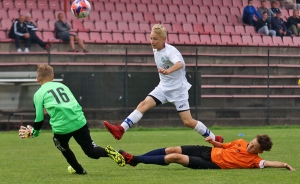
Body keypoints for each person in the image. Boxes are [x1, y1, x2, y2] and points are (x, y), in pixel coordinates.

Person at [103, 24, 223, 143]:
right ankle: (121, 129)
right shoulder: (155, 48)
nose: (152, 41)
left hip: (178, 90)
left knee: (188, 121)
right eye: (151, 38)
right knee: (143, 104)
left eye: (155, 39)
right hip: (163, 88)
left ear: (164, 39)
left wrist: (168, 71)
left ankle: (215, 139)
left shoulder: (170, 51)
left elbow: (180, 64)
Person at [18, 64, 125, 175]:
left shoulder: (38, 94)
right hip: (79, 121)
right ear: (53, 77)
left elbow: (39, 118)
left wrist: (35, 133)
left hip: (62, 127)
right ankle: (108, 152)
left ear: (37, 79)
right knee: (90, 150)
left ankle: (80, 170)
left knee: (62, 146)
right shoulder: (63, 86)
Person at [118, 134, 295, 171]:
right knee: (172, 149)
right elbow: (224, 146)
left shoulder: (254, 162)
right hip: (206, 151)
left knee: (174, 157)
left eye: (253, 148)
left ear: (260, 151)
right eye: (251, 143)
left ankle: (135, 159)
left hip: (212, 164)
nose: (249, 147)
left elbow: (269, 163)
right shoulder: (241, 142)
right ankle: (135, 159)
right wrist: (214, 142)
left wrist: (285, 164)